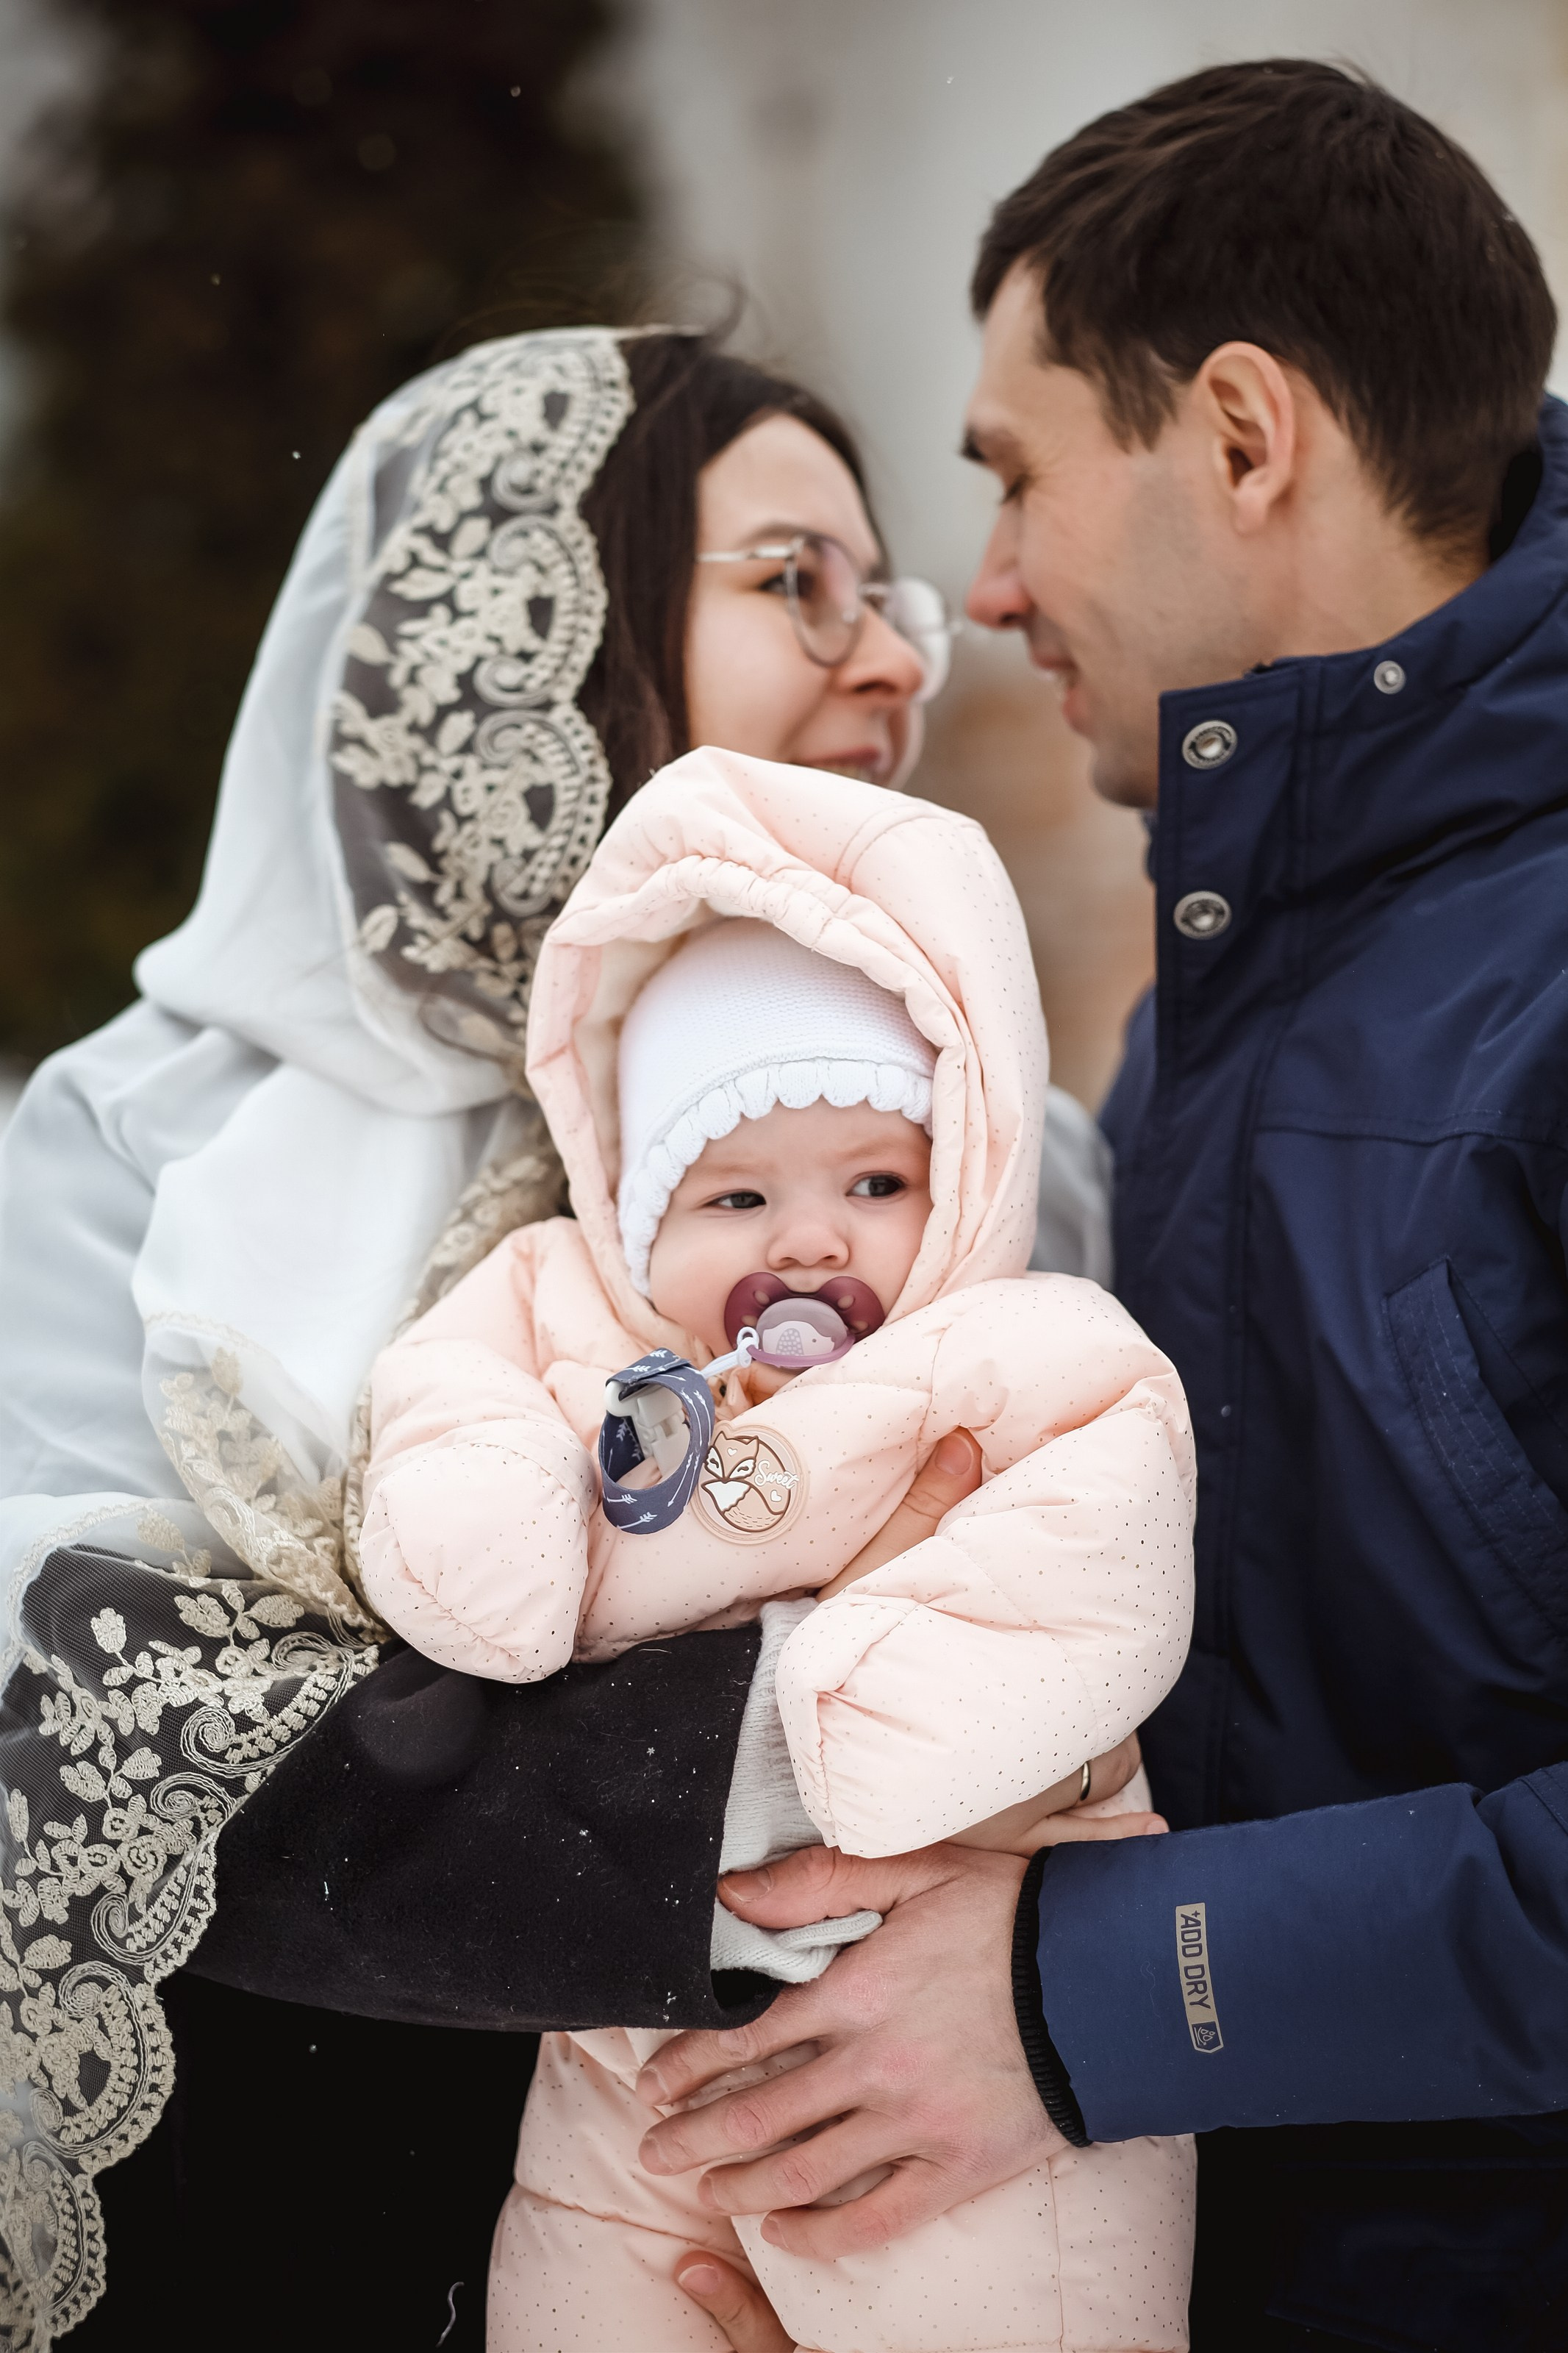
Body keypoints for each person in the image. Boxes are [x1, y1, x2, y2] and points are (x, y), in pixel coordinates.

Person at [0, 322, 1113, 2349]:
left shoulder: (987, 1146)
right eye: (795, 585)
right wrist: (743, 1772)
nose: (890, 660)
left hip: (852, 2228)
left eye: (889, 598)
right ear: (526, 646)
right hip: (291, 2248)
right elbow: (84, 1734)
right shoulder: (146, 1150)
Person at [628, 60, 1568, 2353]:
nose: (990, 591)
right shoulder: (1241, 966)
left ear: (1241, 437)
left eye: (1015, 478)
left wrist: (1106, 1993)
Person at [359, 749, 1196, 2350]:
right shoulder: (565, 1322)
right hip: (629, 2024)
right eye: (737, 1191)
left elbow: (1104, 1537)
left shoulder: (1013, 1348)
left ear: (954, 1180)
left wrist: (897, 1701)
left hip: (965, 1947)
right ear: (631, 1211)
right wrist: (493, 1538)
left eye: (874, 1182)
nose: (811, 1238)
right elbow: (442, 1419)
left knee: (996, 2299)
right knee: (589, 2281)